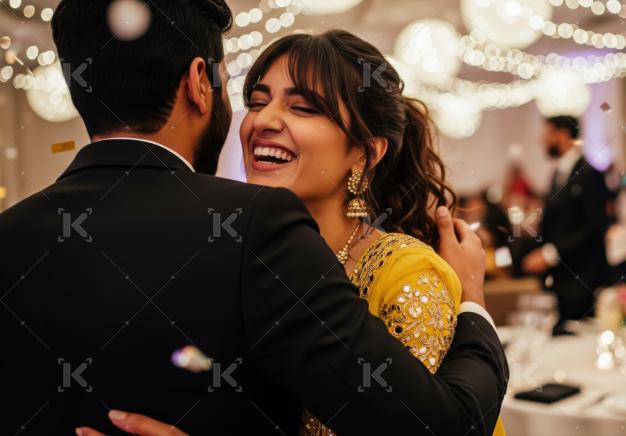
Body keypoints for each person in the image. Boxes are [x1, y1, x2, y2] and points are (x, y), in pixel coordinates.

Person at [0, 2, 507, 435]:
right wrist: (476, 305)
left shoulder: (13, 234)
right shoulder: (249, 231)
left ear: (365, 153)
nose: (261, 120)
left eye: (305, 107)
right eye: (254, 100)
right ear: (200, 82)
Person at [513, 116, 609, 321]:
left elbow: (594, 228)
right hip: (561, 278)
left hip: (583, 278)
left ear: (563, 134)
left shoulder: (590, 174)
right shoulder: (558, 173)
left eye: (546, 134)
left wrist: (549, 254)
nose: (542, 140)